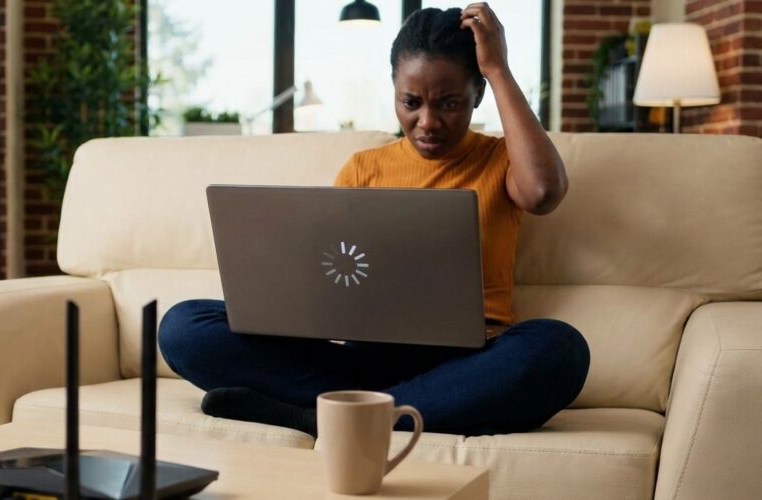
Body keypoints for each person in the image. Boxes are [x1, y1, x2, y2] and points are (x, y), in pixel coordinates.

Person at [157, 4, 590, 437]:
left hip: (465, 362)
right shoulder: (364, 167)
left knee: (559, 349)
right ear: (395, 92)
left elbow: (542, 193)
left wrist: (498, 69)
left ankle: (319, 417)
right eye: (411, 102)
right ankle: (394, 412)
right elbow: (330, 277)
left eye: (449, 103)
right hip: (357, 360)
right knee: (184, 327)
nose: (427, 122)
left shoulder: (501, 160)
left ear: (476, 94)